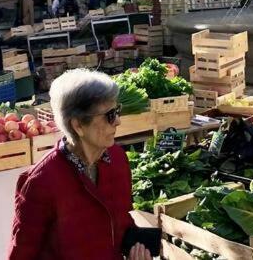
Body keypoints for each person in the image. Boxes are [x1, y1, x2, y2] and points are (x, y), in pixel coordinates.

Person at [8, 69, 153, 260]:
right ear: (78, 126)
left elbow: (121, 223)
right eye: (110, 115)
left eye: (117, 111)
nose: (118, 121)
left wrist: (138, 248)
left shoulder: (117, 159)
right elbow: (21, 254)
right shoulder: (41, 182)